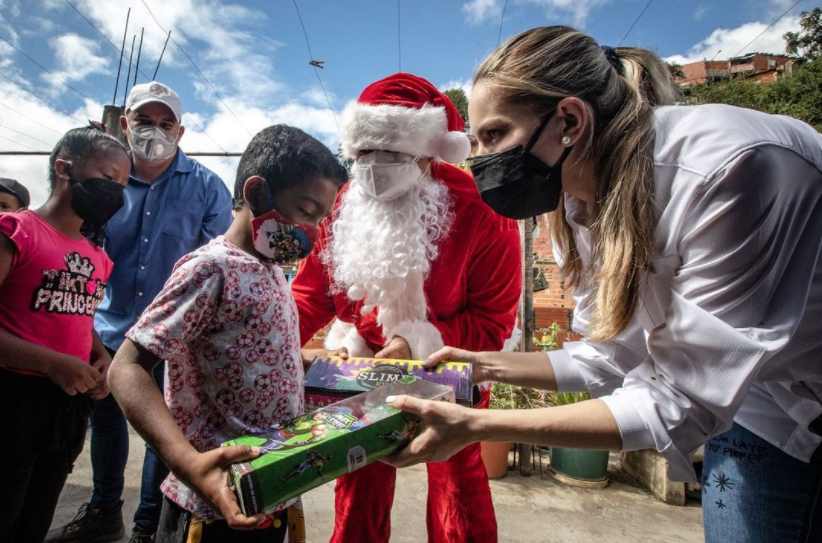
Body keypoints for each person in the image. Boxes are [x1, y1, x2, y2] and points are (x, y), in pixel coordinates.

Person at [381, 26, 822, 543]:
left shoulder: (729, 170)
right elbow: (608, 357)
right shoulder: (575, 205)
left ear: (569, 120)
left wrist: (478, 425)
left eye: (494, 135)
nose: (478, 159)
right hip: (756, 408)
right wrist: (475, 366)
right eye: (475, 141)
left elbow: (676, 402)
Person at [291, 72, 521, 543]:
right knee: (356, 481)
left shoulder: (482, 212)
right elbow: (310, 294)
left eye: (392, 155)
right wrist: (267, 345)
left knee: (459, 487)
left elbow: (492, 326)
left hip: (451, 370)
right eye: (363, 156)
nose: (375, 168)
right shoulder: (342, 206)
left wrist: (416, 341)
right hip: (362, 369)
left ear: (431, 153)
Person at [108, 125, 347, 542]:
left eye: (320, 219)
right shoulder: (212, 268)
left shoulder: (273, 270)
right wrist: (188, 464)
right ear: (257, 194)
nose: (312, 231)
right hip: (212, 501)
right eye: (306, 211)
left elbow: (247, 349)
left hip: (266, 484)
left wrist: (306, 360)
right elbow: (126, 368)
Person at [46, 81, 233, 543]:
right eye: (144, 121)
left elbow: (219, 261)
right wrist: (84, 331)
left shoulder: (207, 187)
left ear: (181, 131)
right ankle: (104, 512)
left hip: (175, 335)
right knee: (108, 423)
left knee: (161, 429)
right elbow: (82, 254)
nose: (155, 130)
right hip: (107, 327)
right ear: (125, 125)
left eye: (165, 123)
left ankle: (147, 527)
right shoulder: (105, 180)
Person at [0, 126, 130, 542]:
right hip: (14, 399)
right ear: (64, 168)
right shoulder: (17, 231)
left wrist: (100, 355)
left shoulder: (97, 257)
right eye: (108, 178)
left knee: (36, 517)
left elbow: (79, 314)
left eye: (123, 185)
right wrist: (52, 362)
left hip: (67, 407)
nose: (115, 191)